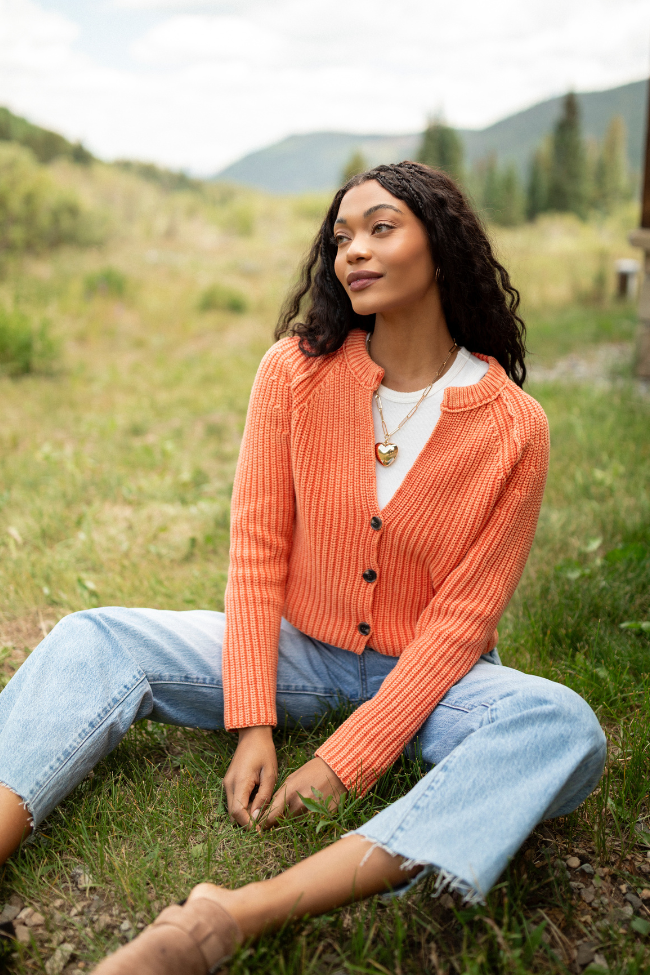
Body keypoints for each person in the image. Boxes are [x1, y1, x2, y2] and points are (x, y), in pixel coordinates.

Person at [0, 162, 606, 975]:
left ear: (443, 241)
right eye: (341, 236)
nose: (354, 249)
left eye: (381, 227)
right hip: (301, 648)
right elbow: (257, 553)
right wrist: (254, 719)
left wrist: (341, 762)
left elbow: (463, 622)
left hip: (435, 678)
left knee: (562, 725)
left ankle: (238, 912)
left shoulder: (514, 426)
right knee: (94, 636)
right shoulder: (293, 372)